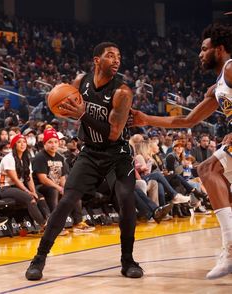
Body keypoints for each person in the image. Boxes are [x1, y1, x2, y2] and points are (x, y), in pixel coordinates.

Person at [25, 42, 149, 280]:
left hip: (118, 154)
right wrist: (60, 106)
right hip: (90, 152)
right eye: (110, 56)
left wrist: (82, 114)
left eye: (119, 56)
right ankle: (38, 259)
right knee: (67, 200)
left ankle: (128, 261)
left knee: (126, 200)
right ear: (96, 60)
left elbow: (113, 133)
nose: (116, 60)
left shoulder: (122, 92)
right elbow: (63, 107)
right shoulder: (80, 83)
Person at [130, 23, 232, 279]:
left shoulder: (231, 68)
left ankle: (230, 248)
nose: (200, 53)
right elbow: (185, 121)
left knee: (207, 168)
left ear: (219, 49)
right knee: (210, 172)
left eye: (204, 48)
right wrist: (146, 118)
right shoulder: (219, 86)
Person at [0, 134, 50, 234]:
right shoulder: (9, 158)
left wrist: (33, 191)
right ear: (14, 145)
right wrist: (28, 192)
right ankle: (45, 226)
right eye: (19, 142)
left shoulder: (26, 159)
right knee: (30, 199)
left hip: (18, 187)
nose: (22, 144)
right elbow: (16, 179)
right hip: (5, 188)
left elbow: (28, 178)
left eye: (24, 142)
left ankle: (50, 221)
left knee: (40, 196)